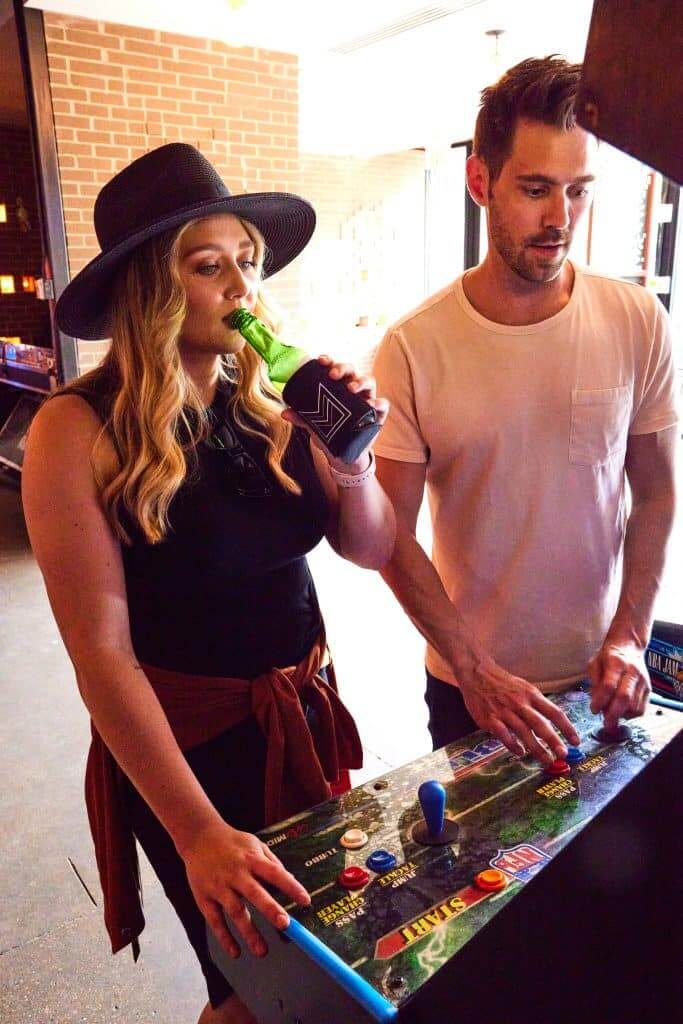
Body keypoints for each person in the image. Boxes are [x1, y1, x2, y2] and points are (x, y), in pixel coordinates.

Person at [22, 143, 395, 1024]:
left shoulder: (272, 404)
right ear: (153, 285)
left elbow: (371, 548)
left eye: (248, 263)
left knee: (314, 958)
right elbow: (102, 658)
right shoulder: (74, 429)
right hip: (184, 750)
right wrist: (197, 835)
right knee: (244, 990)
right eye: (208, 265)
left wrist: (353, 459)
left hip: (298, 718)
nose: (241, 286)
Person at [373, 57, 680, 763]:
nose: (558, 218)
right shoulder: (414, 346)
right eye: (535, 189)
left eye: (578, 191)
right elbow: (390, 533)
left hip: (602, 674)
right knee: (483, 875)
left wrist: (630, 635)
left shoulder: (636, 320)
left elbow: (657, 492)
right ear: (479, 181)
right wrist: (472, 669)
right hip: (471, 685)